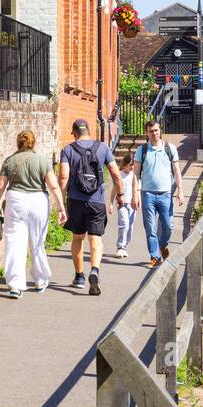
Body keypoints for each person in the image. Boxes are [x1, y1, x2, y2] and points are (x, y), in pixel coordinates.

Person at [0, 129, 66, 299]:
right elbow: (53, 186)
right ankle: (40, 279)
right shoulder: (42, 160)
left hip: (15, 200)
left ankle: (15, 286)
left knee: (15, 243)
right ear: (34, 143)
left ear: (18, 143)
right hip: (38, 201)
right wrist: (62, 208)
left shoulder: (9, 161)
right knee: (37, 241)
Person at [58, 119, 125, 295]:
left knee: (78, 237)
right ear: (89, 131)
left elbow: (64, 176)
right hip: (97, 201)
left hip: (76, 200)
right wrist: (120, 195)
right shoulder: (102, 148)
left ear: (74, 133)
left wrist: (61, 204)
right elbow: (116, 174)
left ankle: (79, 277)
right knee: (95, 238)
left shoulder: (67, 150)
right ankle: (94, 270)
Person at [129, 120, 183, 268]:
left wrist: (180, 191)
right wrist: (135, 194)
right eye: (151, 131)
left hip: (166, 194)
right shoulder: (142, 150)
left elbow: (177, 171)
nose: (155, 133)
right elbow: (136, 174)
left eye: (156, 130)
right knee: (150, 227)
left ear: (160, 131)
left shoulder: (169, 148)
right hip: (148, 194)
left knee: (168, 226)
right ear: (147, 133)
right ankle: (155, 256)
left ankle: (162, 246)